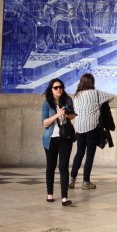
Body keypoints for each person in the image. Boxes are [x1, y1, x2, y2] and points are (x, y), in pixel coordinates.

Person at [69, 73, 114, 191]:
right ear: (92, 82)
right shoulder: (97, 93)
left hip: (79, 128)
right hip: (91, 128)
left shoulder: (76, 96)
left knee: (79, 153)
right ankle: (85, 182)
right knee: (89, 155)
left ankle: (72, 179)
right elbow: (111, 96)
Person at [41, 78, 76, 206]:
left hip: (65, 138)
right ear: (51, 89)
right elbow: (44, 123)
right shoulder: (47, 104)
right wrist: (57, 115)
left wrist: (67, 115)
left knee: (63, 166)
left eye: (60, 87)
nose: (58, 89)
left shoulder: (67, 100)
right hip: (50, 139)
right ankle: (49, 194)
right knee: (51, 166)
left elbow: (73, 115)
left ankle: (64, 197)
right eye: (55, 87)